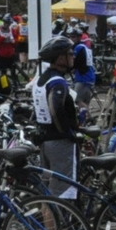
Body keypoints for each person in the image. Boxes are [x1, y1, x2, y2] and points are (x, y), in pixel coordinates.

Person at [32, 37, 82, 198]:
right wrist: (68, 132)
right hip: (60, 143)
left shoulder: (42, 78)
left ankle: (48, 224)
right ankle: (57, 224)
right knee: (61, 194)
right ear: (60, 58)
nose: (73, 56)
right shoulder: (58, 82)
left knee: (48, 193)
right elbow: (56, 108)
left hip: (45, 139)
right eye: (70, 53)